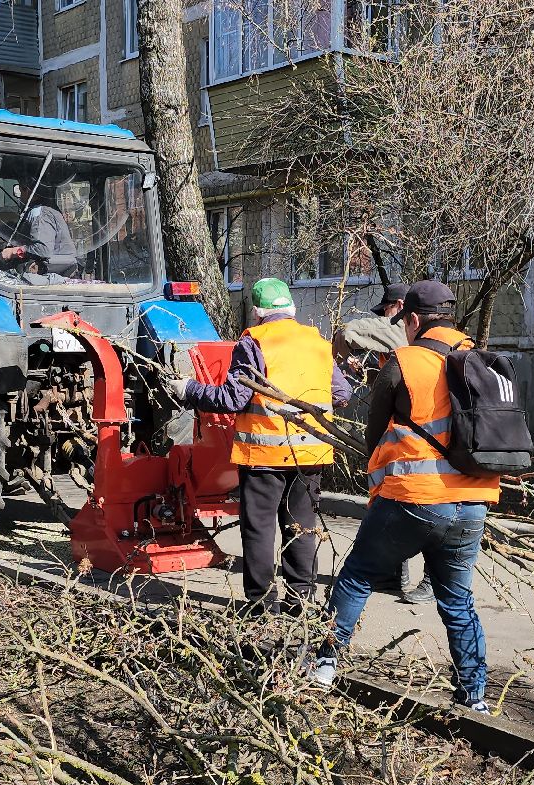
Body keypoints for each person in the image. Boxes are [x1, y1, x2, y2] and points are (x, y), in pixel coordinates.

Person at [313, 280, 500, 712]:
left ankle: (324, 666)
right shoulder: (481, 359)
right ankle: (474, 696)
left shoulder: (404, 362)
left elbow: (376, 433)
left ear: (413, 320)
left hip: (414, 497)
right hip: (473, 502)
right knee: (457, 600)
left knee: (358, 573)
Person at [170, 278, 350, 614]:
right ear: (292, 309)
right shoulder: (318, 342)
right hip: (310, 454)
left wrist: (189, 389)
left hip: (264, 454)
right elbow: (342, 394)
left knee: (260, 529)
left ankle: (260, 605)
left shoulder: (254, 342)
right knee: (302, 527)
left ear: (257, 311)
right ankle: (301, 601)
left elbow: (232, 398)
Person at [336, 283, 431, 605]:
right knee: (396, 501)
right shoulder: (439, 340)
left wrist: (340, 361)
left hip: (418, 435)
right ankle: (393, 573)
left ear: (403, 308)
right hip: (410, 432)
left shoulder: (401, 329)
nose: (389, 320)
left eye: (390, 312)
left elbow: (347, 331)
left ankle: (431, 579)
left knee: (425, 504)